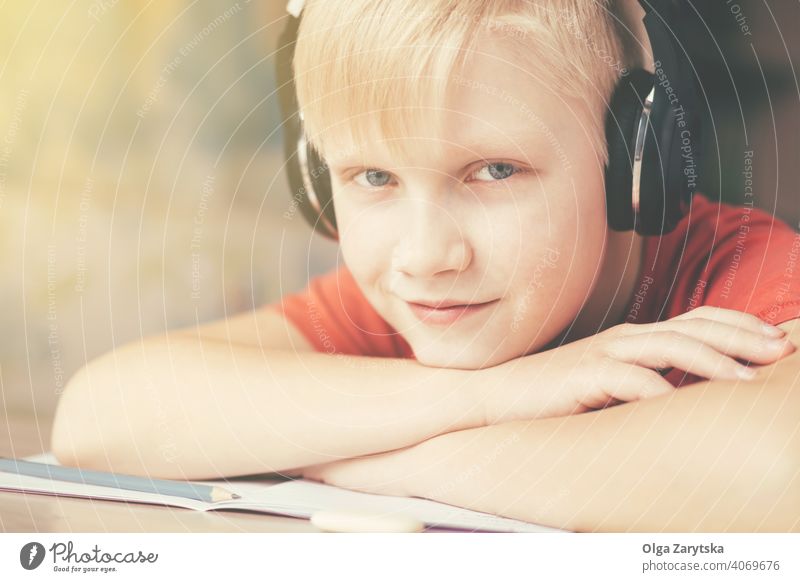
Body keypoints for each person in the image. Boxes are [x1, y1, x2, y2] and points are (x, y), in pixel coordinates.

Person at [51, 0, 800, 531]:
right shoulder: (422, 303)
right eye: (373, 179)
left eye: (495, 170)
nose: (426, 255)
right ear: (319, 182)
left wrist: (383, 464)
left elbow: (783, 471)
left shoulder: (736, 276)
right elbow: (100, 414)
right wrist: (499, 394)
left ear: (635, 165)